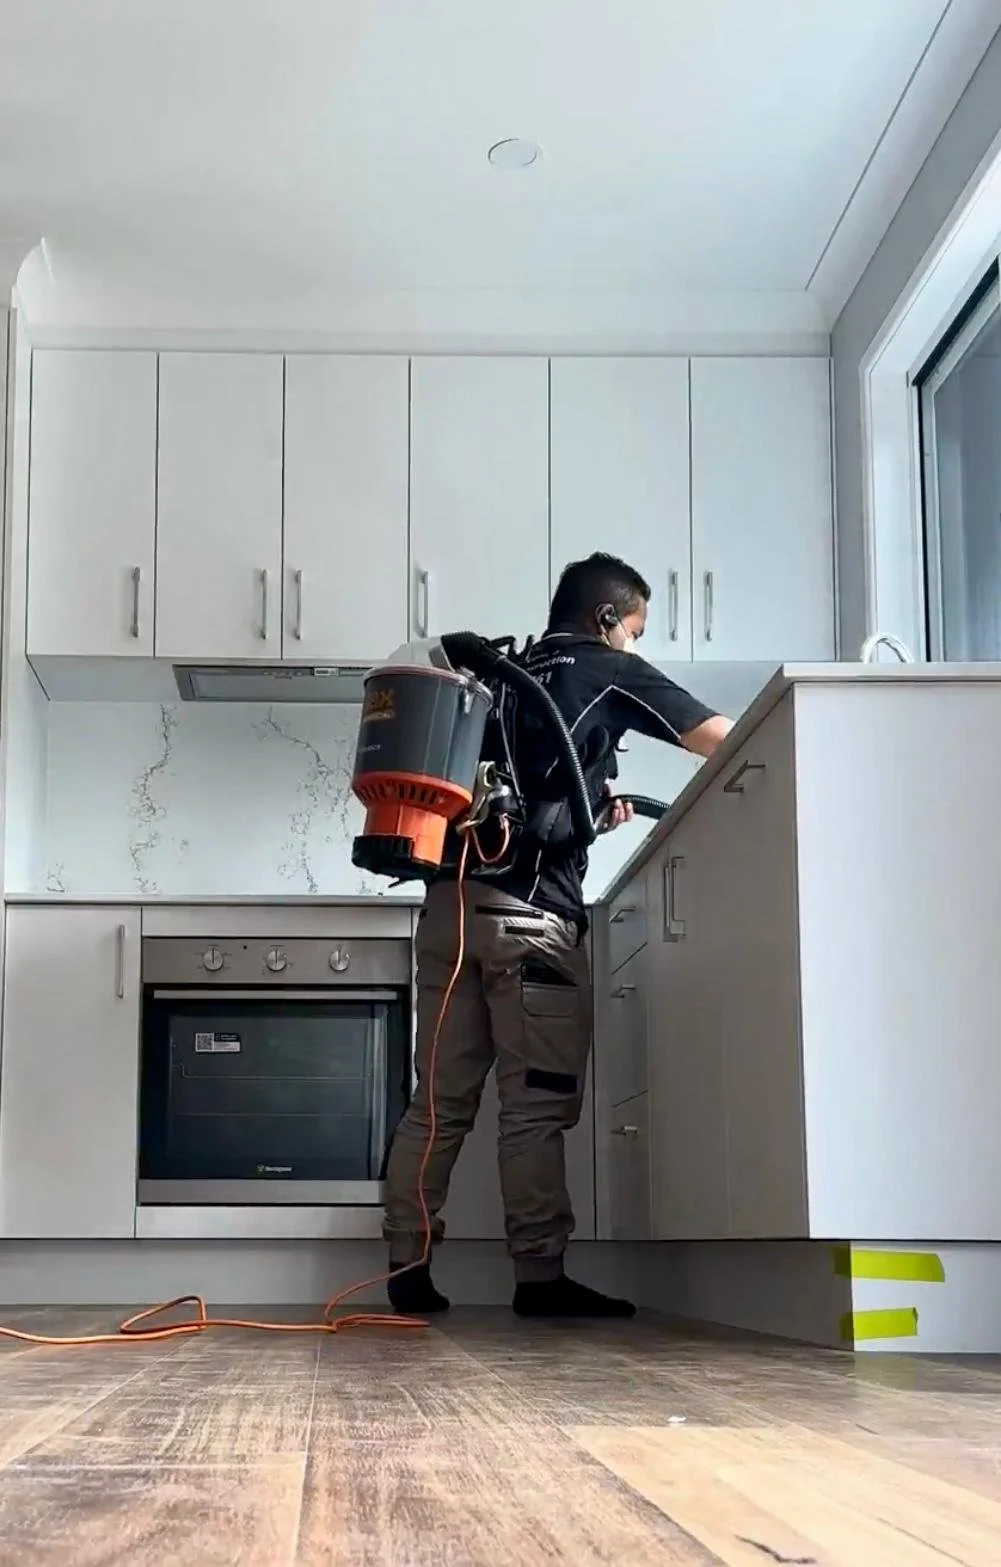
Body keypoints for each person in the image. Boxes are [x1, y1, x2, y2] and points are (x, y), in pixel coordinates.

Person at [383, 552, 734, 1318]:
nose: (635, 643)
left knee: (434, 1104)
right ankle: (539, 1278)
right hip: (529, 923)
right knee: (534, 1106)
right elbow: (724, 739)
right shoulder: (605, 667)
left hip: (447, 912)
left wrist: (587, 814)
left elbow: (520, 795)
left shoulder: (494, 676)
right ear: (607, 617)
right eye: (634, 628)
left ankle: (406, 1267)